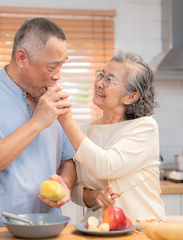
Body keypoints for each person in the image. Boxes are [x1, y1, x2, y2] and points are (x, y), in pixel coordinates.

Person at [0, 18, 76, 229]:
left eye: (61, 65)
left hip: (46, 229)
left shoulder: (53, 99)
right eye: (51, 67)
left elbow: (68, 161)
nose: (58, 76)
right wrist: (37, 121)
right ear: (22, 58)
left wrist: (65, 185)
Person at [57, 50, 166, 222]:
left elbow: (105, 165)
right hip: (98, 230)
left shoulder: (144, 127)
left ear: (131, 97)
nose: (99, 83)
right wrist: (96, 195)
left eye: (109, 79)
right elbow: (76, 189)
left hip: (142, 229)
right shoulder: (86, 132)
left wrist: (66, 120)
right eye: (101, 75)